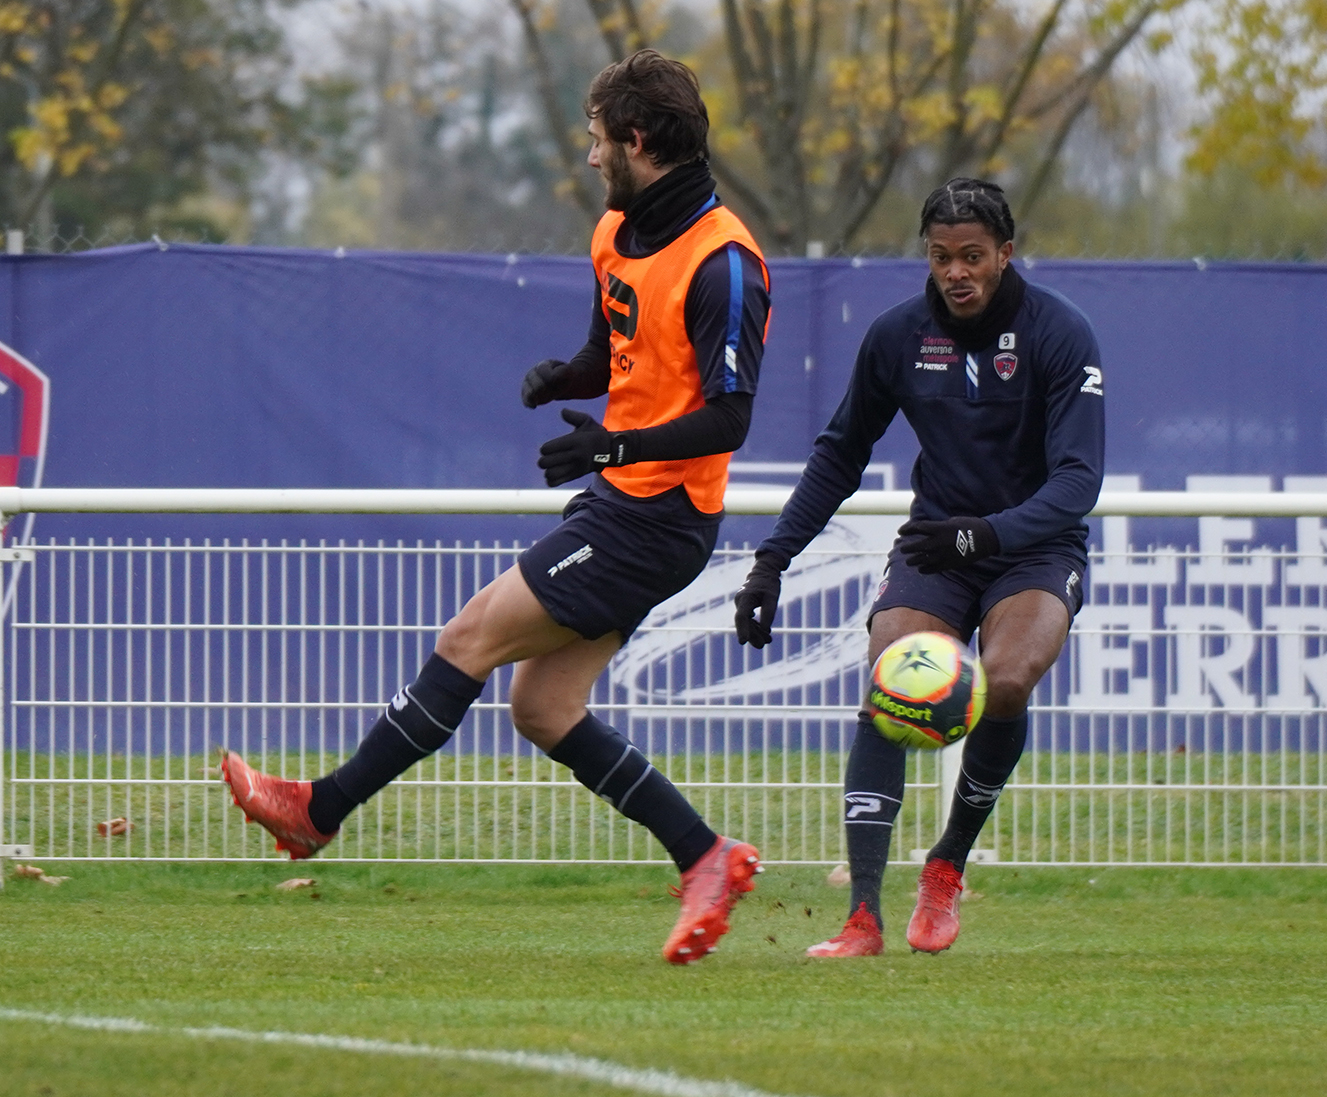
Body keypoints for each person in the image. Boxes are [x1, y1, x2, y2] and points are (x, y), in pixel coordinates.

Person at [223, 49, 772, 965]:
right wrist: (569, 377)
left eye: (598, 140)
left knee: (467, 638)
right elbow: (618, 350)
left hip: (660, 516)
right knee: (545, 709)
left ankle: (319, 811)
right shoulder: (615, 231)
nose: (590, 157)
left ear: (639, 142)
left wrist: (614, 445)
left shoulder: (726, 263)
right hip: (622, 499)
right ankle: (707, 856)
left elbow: (731, 417)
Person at [733, 179, 1103, 956]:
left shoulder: (1060, 334)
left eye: (972, 256)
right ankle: (862, 917)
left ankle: (945, 867)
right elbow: (839, 455)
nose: (956, 273)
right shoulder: (898, 335)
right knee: (892, 674)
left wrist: (986, 536)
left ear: (1006, 253)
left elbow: (1078, 484)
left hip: (1034, 547)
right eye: (941, 257)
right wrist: (770, 562)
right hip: (939, 545)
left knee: (1005, 679)